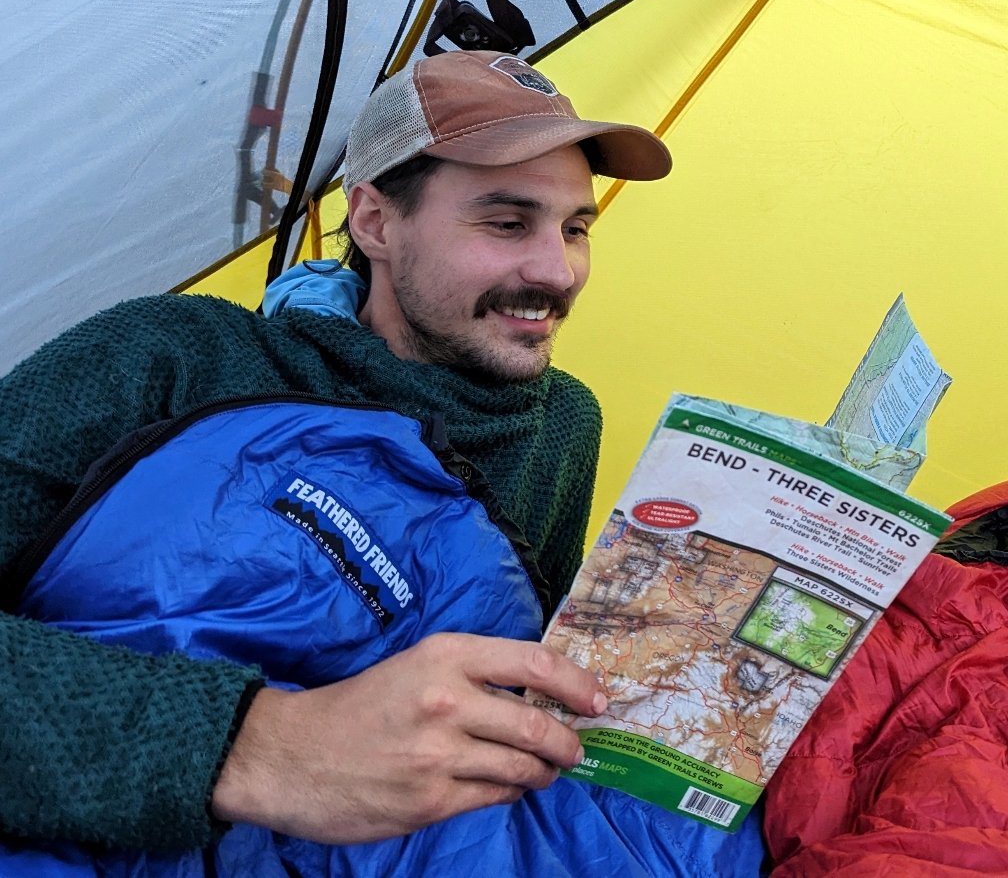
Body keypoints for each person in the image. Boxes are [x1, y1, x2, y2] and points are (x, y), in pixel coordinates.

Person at [0, 51, 764, 873]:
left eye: (576, 228)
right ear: (373, 222)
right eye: (508, 223)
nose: (558, 271)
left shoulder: (563, 425)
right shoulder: (172, 355)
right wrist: (259, 747)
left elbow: (520, 685)